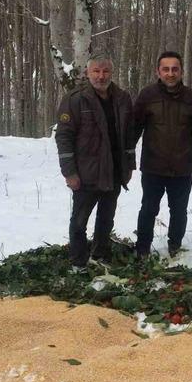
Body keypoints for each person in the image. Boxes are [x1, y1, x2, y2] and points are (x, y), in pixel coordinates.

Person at [54, 55, 135, 268]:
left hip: (114, 172)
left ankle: (101, 255)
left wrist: (129, 166)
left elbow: (128, 136)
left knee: (106, 220)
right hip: (85, 174)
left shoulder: (122, 98)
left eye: (105, 71)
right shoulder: (75, 99)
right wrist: (69, 172)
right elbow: (64, 137)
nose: (101, 76)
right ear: (88, 73)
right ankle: (78, 261)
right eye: (96, 71)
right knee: (79, 222)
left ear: (112, 72)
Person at [133, 51, 192, 258]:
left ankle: (175, 246)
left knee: (179, 211)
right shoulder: (147, 96)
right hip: (153, 166)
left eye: (175, 69)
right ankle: (143, 248)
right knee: (148, 209)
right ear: (158, 71)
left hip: (181, 167)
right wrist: (125, 158)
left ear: (181, 71)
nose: (170, 73)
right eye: (166, 69)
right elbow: (134, 130)